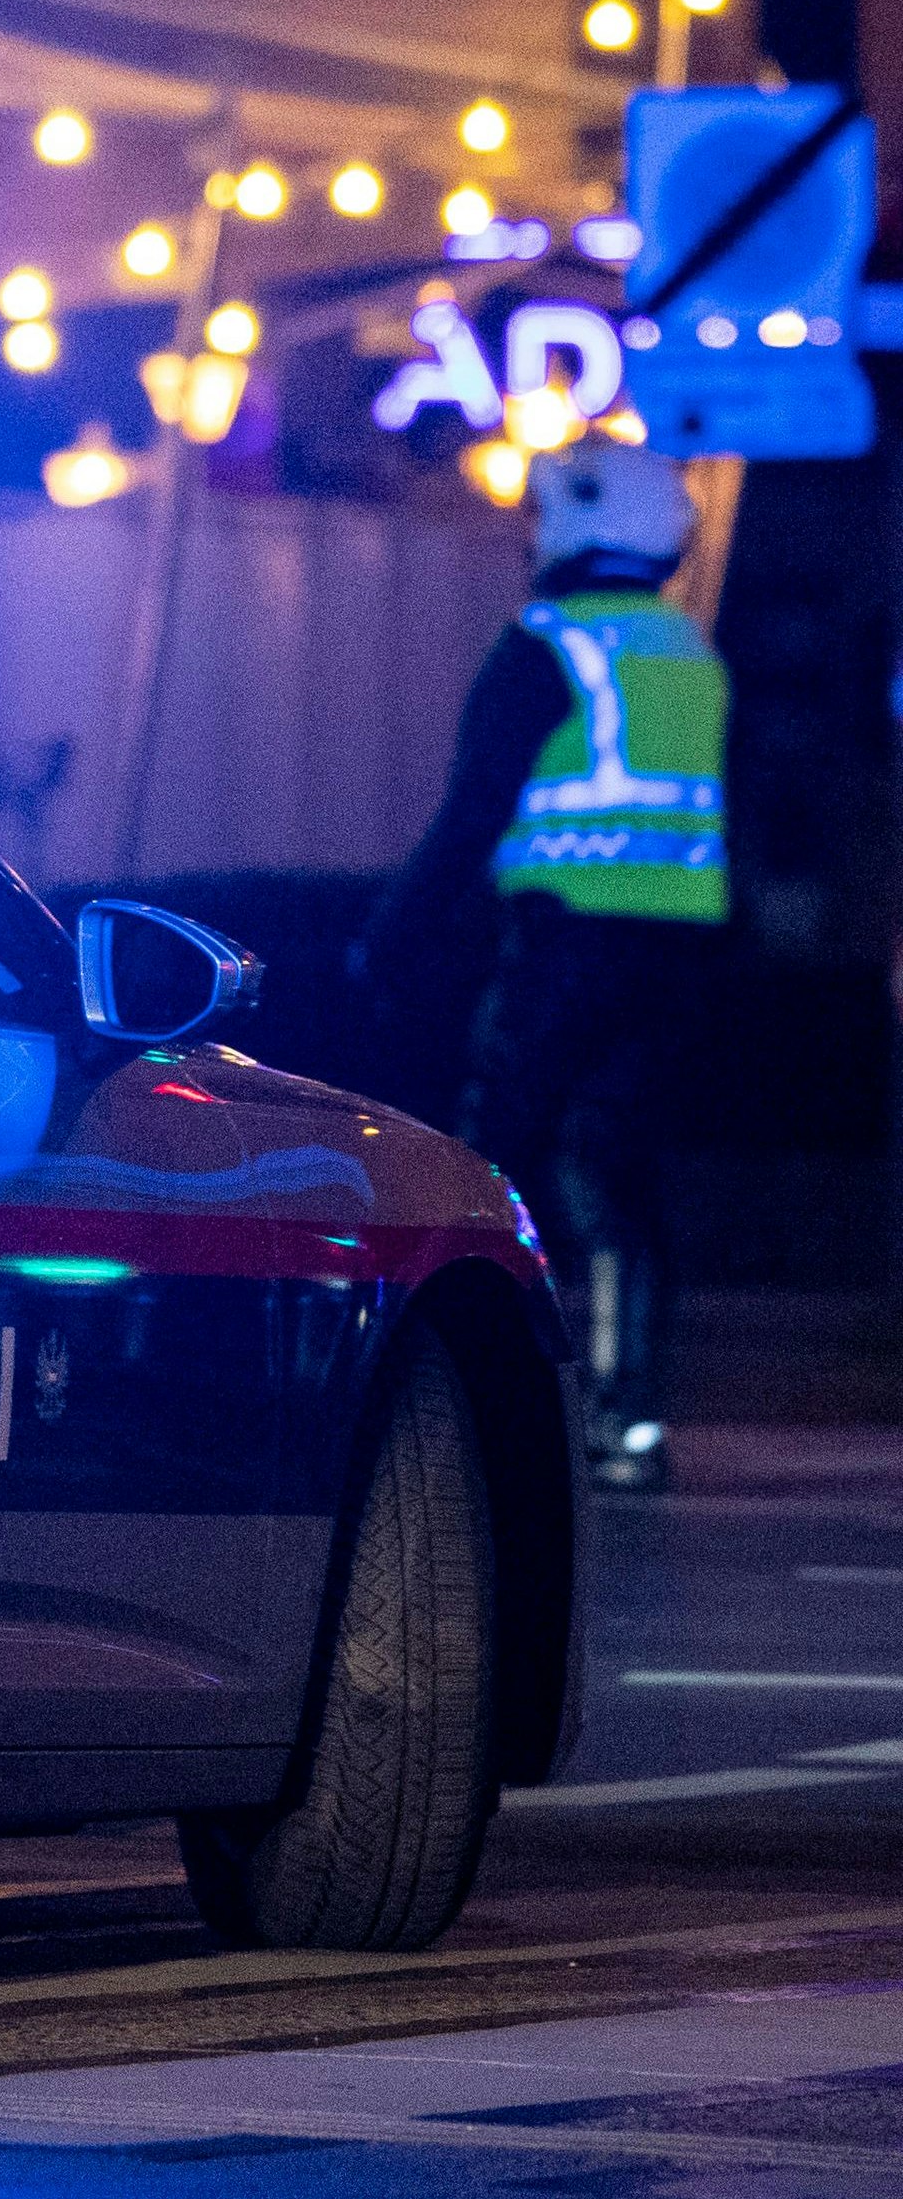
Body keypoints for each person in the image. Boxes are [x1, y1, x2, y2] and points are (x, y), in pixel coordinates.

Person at [365, 438, 726, 1493]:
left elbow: (474, 806)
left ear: (575, 522)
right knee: (615, 1176)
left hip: (564, 940)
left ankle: (481, 1405)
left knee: (494, 1170)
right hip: (670, 953)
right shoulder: (685, 650)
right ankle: (630, 1423)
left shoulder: (546, 643)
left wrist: (395, 932)